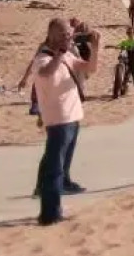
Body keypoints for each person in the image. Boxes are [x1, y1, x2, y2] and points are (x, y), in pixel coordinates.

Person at [31, 18, 99, 225]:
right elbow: (46, 73)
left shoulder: (68, 55)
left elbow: (90, 68)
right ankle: (49, 214)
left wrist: (96, 48)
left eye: (69, 34)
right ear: (51, 35)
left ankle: (54, 205)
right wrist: (60, 53)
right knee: (55, 167)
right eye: (63, 34)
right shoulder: (42, 58)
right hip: (58, 120)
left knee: (61, 166)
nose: (67, 38)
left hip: (73, 117)